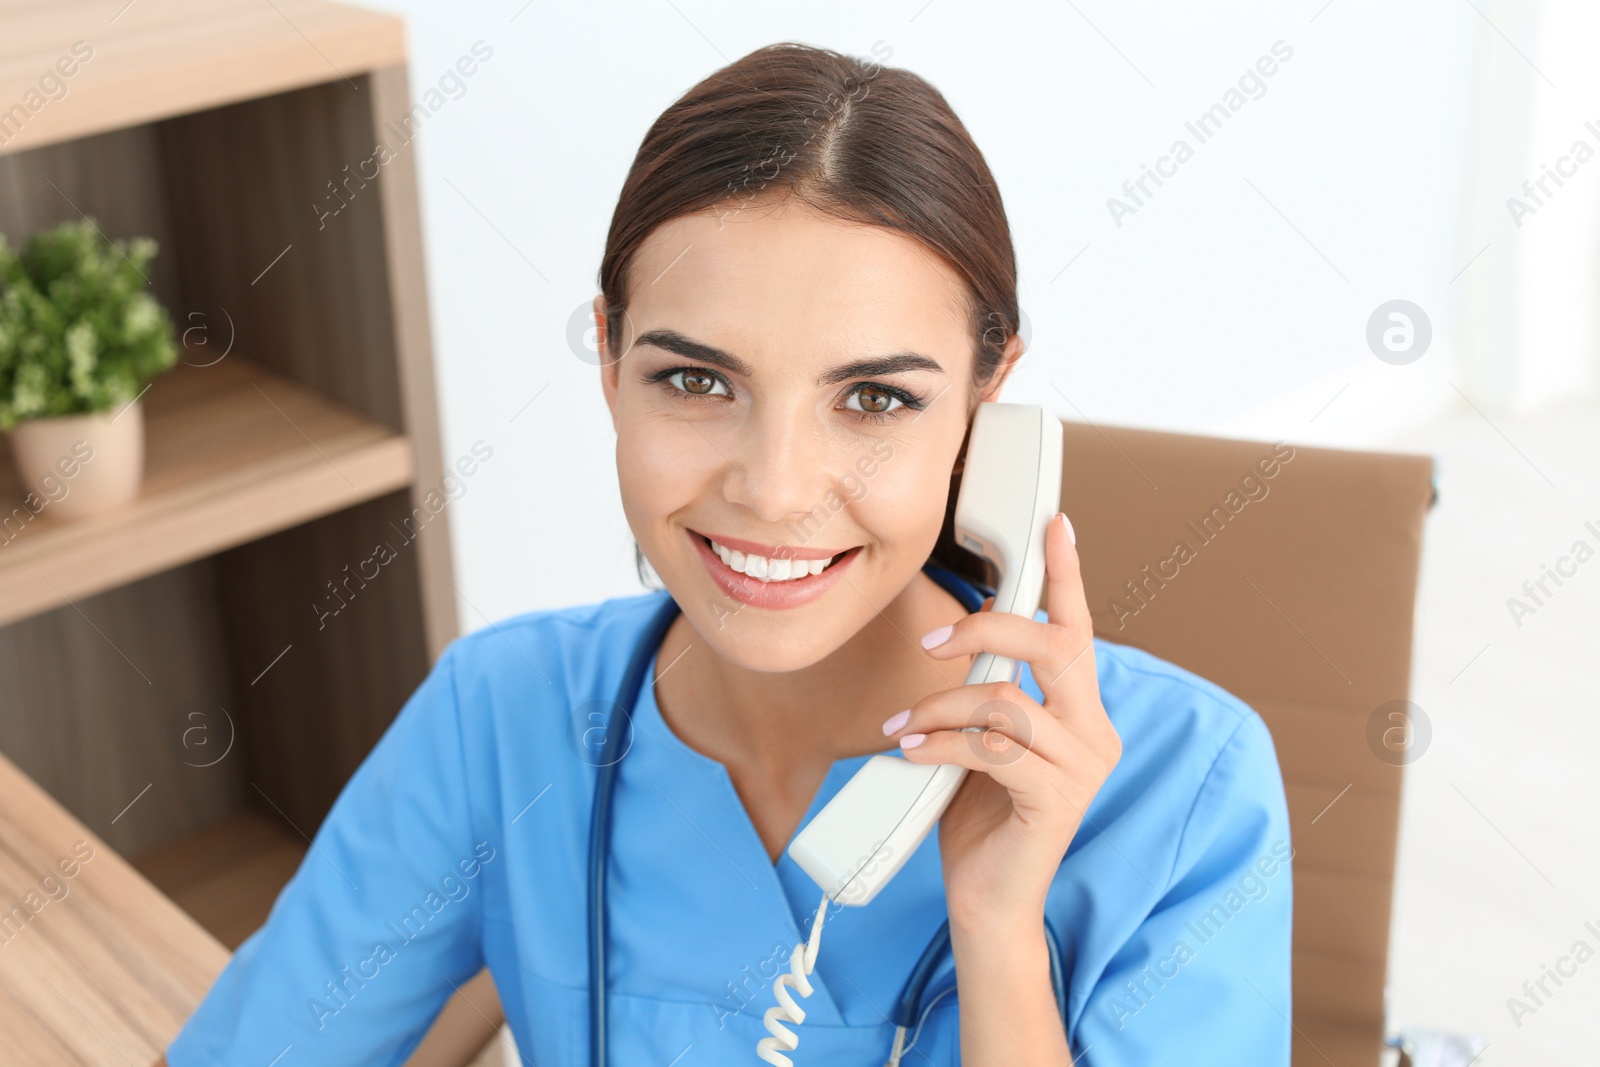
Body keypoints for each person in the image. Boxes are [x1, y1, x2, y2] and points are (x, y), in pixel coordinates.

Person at [162, 41, 1292, 1067]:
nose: (774, 488)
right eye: (696, 381)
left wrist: (998, 935)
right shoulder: (499, 719)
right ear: (607, 360)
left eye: (875, 397)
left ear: (987, 408)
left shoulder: (1186, 788)